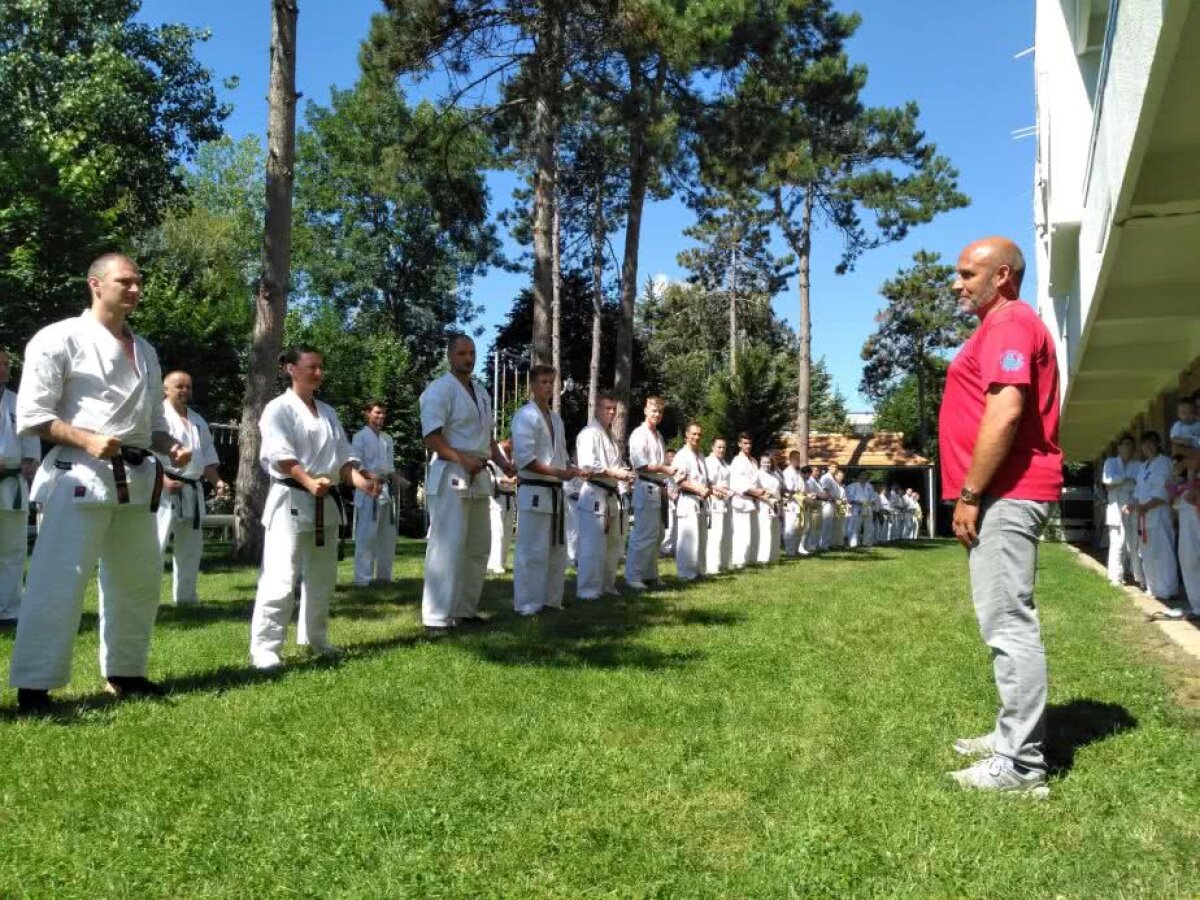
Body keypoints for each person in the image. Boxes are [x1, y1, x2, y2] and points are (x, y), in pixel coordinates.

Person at [10, 254, 193, 712]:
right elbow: (33, 416)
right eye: (125, 281)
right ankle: (35, 685)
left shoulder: (146, 350)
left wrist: (169, 444)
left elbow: (150, 422)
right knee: (59, 582)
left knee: (138, 581)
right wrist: (85, 439)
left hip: (135, 474)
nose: (134, 289)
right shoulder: (59, 338)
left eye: (138, 282)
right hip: (80, 474)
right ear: (95, 283)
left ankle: (126, 672)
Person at [939, 236, 1061, 798]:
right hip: (1000, 493)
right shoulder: (998, 325)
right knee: (1003, 620)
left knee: (1009, 624)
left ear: (1003, 276)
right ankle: (1010, 734)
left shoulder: (1010, 324)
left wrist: (970, 492)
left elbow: (1007, 410)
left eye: (968, 274)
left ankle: (1021, 764)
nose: (958, 283)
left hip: (1006, 493)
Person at [249, 347, 378, 669]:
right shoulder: (277, 409)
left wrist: (362, 481)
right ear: (291, 369)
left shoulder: (328, 412)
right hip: (291, 499)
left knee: (322, 576)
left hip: (325, 500)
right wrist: (307, 480)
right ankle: (265, 648)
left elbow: (344, 457)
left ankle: (315, 637)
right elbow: (280, 454)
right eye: (311, 367)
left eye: (321, 367)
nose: (318, 373)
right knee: (280, 576)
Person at [419, 335, 510, 632]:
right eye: (461, 353)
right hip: (450, 471)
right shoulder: (439, 390)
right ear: (450, 356)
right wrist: (460, 458)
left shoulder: (481, 392)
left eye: (471, 353)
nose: (468, 358)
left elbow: (489, 438)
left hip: (479, 473)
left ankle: (464, 609)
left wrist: (505, 463)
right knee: (447, 545)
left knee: (477, 546)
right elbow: (431, 437)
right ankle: (435, 616)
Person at [512, 365, 583, 615]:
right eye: (543, 382)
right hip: (534, 491)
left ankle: (551, 600)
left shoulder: (556, 419)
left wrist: (573, 469)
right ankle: (527, 604)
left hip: (555, 493)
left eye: (551, 382)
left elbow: (560, 458)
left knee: (557, 550)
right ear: (532, 385)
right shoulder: (525, 416)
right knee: (531, 550)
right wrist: (558, 473)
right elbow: (524, 459)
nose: (548, 386)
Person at [156, 370, 228, 606]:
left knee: (190, 548)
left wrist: (216, 481)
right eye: (179, 386)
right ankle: (147, 599)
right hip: (162, 486)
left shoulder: (197, 420)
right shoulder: (157, 417)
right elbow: (146, 453)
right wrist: (162, 480)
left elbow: (206, 456)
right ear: (166, 389)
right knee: (155, 544)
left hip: (191, 487)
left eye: (188, 386)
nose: (185, 390)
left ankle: (186, 598)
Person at [574, 393, 633, 600]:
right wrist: (614, 473)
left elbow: (614, 466)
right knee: (592, 544)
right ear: (597, 409)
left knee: (613, 544)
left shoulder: (610, 437)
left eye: (614, 409)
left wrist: (624, 476)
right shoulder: (589, 433)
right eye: (607, 408)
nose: (612, 412)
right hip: (594, 493)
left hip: (611, 494)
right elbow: (587, 467)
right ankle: (588, 590)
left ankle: (607, 585)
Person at [0, 349, 39, 624]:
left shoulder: (19, 403)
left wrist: (28, 464)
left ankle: (10, 609)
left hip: (11, 485)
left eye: (5, 364)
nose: (3, 369)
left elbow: (31, 447)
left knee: (12, 550)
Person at [351, 400, 406, 586]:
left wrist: (399, 480)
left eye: (383, 413)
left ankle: (384, 576)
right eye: (376, 413)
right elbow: (357, 465)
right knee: (366, 535)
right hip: (367, 489)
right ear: (367, 413)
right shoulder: (359, 437)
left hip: (385, 490)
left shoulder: (387, 439)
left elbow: (389, 467)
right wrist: (373, 477)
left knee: (387, 535)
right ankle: (362, 579)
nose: (380, 416)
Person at [626, 397, 672, 590]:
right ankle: (633, 576)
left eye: (660, 412)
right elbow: (641, 464)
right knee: (643, 534)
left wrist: (668, 470)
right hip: (646, 486)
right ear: (645, 410)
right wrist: (666, 468)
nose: (657, 415)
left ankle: (651, 574)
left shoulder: (658, 436)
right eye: (654, 411)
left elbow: (661, 466)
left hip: (659, 487)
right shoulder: (639, 434)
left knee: (658, 534)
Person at [1134, 431, 1178, 602]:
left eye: (1151, 443)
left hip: (1159, 512)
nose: (1148, 447)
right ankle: (1152, 587)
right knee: (1147, 551)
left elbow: (1163, 489)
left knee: (1163, 550)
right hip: (1144, 515)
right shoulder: (1143, 466)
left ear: (1158, 444)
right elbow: (1138, 490)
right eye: (1145, 444)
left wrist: (1146, 506)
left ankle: (1167, 589)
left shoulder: (1165, 462)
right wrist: (1137, 505)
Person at [671, 422, 712, 581]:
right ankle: (686, 574)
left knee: (701, 537)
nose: (697, 437)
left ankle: (700, 571)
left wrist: (711, 489)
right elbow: (679, 480)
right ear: (686, 435)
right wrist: (699, 489)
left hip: (700, 500)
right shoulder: (682, 455)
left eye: (699, 434)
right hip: (688, 499)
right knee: (688, 537)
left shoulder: (701, 455)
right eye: (693, 434)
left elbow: (704, 480)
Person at [1101, 434, 1143, 588]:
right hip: (1115, 507)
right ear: (1118, 447)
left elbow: (1140, 485)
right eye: (1124, 444)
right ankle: (1115, 577)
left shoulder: (1138, 465)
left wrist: (1119, 482)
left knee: (1134, 543)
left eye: (1131, 444)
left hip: (1133, 505)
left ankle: (1138, 576)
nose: (1128, 447)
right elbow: (1107, 481)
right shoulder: (1110, 463)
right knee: (1117, 542)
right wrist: (1126, 480)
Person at [728, 433, 765, 568]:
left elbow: (757, 481)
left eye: (749, 443)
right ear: (739, 444)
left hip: (754, 500)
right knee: (742, 533)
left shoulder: (754, 461)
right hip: (742, 500)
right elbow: (737, 484)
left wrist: (760, 492)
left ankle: (751, 560)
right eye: (744, 443)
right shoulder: (737, 461)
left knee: (754, 533)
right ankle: (740, 561)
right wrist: (754, 492)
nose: (747, 446)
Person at [486, 438, 517, 575]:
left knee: (508, 531)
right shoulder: (494, 453)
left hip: (510, 496)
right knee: (498, 531)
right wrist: (506, 480)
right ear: (508, 441)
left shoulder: (513, 455)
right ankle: (494, 563)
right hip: (496, 496)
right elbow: (489, 477)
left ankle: (502, 562)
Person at [705, 438, 734, 573]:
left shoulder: (725, 464)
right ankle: (712, 565)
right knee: (715, 534)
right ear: (712, 447)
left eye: (723, 448)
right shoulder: (708, 462)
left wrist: (728, 491)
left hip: (726, 500)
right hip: (714, 499)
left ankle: (724, 563)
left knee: (726, 533)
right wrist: (718, 490)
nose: (721, 450)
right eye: (719, 447)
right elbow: (707, 483)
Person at [756, 452, 784, 564]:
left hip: (776, 504)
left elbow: (780, 488)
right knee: (765, 531)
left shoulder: (774, 474)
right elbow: (757, 491)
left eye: (768, 462)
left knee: (775, 531)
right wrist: (768, 497)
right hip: (764, 505)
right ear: (760, 462)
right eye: (764, 462)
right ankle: (763, 558)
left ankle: (774, 557)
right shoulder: (758, 474)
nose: (767, 464)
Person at [782, 451, 808, 556]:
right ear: (791, 459)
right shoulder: (787, 472)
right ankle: (790, 551)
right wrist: (799, 495)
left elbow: (802, 488)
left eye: (799, 459)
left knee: (798, 528)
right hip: (791, 503)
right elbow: (789, 490)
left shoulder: (797, 472)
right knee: (790, 527)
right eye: (797, 459)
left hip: (800, 502)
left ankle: (796, 549)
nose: (798, 461)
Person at [846, 471, 874, 549]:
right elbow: (849, 498)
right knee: (855, 525)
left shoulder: (870, 486)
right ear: (859, 477)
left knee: (868, 526)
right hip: (856, 507)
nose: (864, 477)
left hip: (867, 507)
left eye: (865, 475)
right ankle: (853, 542)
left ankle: (866, 542)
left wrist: (871, 502)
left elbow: (872, 497)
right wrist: (858, 501)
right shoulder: (852, 486)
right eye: (862, 475)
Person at [660, 448, 679, 558]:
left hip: (676, 499)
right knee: (669, 525)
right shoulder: (664, 471)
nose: (672, 458)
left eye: (673, 456)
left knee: (675, 525)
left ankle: (672, 547)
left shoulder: (675, 470)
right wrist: (670, 495)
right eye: (670, 456)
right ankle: (664, 548)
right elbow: (663, 486)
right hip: (667, 500)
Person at [818, 464, 840, 550]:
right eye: (833, 467)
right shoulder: (826, 477)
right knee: (825, 525)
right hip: (827, 502)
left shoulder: (833, 478)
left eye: (836, 467)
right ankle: (823, 545)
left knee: (830, 525)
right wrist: (833, 499)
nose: (835, 469)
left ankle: (827, 543)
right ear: (829, 467)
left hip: (832, 503)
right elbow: (825, 490)